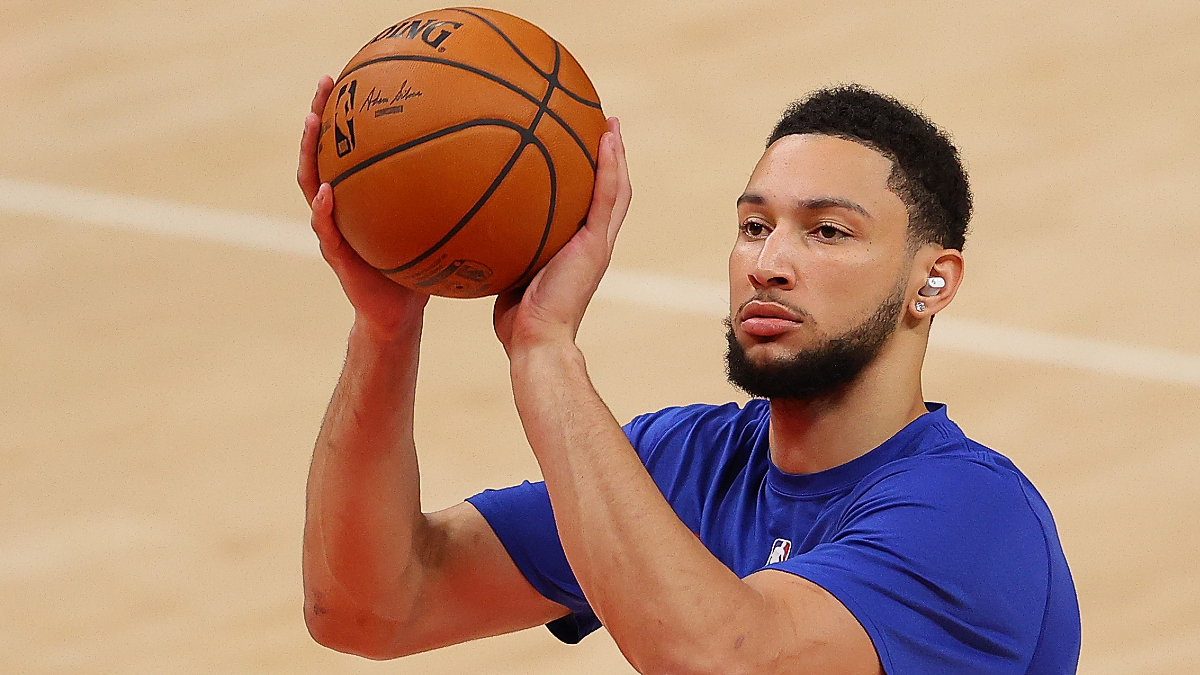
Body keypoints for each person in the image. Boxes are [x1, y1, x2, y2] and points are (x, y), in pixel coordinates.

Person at [296, 79, 1081, 674]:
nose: (769, 263)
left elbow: (719, 658)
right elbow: (371, 607)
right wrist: (386, 329)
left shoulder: (975, 515)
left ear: (932, 281)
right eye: (754, 226)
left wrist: (544, 351)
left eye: (828, 231)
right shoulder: (686, 464)